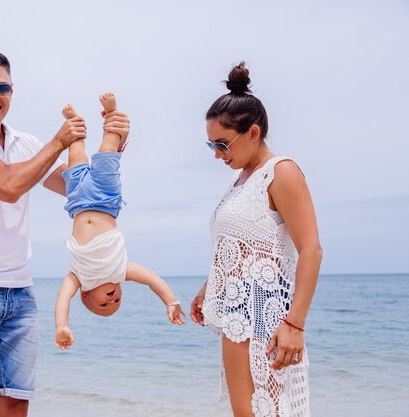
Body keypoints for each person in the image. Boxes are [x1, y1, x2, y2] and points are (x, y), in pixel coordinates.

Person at [0, 48, 129, 417]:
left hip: (19, 291)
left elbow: (80, 190)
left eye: (1, 87)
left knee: (16, 405)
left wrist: (115, 142)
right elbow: (7, 186)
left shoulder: (25, 143)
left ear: (12, 91)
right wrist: (58, 142)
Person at [189, 62, 323, 417]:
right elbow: (244, 247)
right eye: (211, 144)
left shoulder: (282, 172)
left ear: (252, 132)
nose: (217, 154)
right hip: (235, 315)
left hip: (268, 317)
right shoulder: (240, 182)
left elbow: (311, 249)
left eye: (222, 143)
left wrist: (295, 324)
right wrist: (210, 286)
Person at [54, 93, 185, 351]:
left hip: (78, 201)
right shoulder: (120, 270)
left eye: (104, 304)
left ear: (87, 295)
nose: (112, 300)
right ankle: (112, 114)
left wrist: (61, 326)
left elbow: (62, 298)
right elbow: (151, 279)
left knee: (76, 157)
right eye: (116, 303)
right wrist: (170, 301)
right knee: (107, 153)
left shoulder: (78, 278)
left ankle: (75, 125)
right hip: (106, 199)